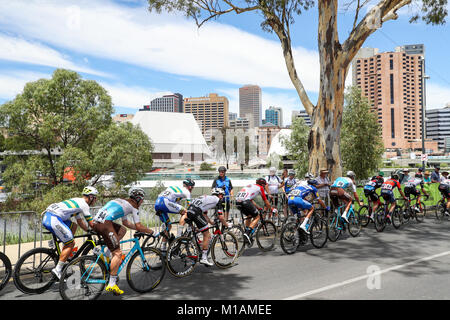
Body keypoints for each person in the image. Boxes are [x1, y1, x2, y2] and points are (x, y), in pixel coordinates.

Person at [92, 187, 155, 295]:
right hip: (105, 224)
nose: (142, 202)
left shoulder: (121, 200)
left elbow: (125, 223)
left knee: (122, 230)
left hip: (95, 223)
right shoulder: (133, 207)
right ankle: (112, 283)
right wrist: (152, 232)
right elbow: (139, 225)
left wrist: (138, 229)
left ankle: (106, 253)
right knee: (118, 253)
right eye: (142, 199)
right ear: (138, 198)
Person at [42, 186, 98, 280]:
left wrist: (88, 231)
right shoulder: (84, 205)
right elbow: (91, 223)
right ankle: (58, 269)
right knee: (71, 243)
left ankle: (66, 250)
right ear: (91, 197)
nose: (96, 200)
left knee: (73, 226)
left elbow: (80, 222)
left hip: (48, 216)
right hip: (53, 219)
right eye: (95, 198)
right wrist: (98, 230)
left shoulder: (77, 201)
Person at [185, 188, 227, 266]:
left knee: (200, 229)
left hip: (189, 210)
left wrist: (211, 222)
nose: (222, 197)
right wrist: (227, 224)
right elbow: (221, 217)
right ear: (219, 195)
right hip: (196, 212)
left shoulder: (207, 198)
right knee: (207, 235)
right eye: (222, 195)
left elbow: (204, 214)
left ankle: (193, 245)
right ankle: (204, 258)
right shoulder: (217, 200)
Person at [154, 178, 194, 252]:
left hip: (157, 203)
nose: (192, 189)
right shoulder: (186, 191)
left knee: (168, 226)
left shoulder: (177, 190)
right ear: (190, 187)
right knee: (186, 212)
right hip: (165, 202)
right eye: (192, 187)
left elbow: (177, 207)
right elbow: (190, 206)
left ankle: (163, 249)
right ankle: (179, 236)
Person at [235, 178, 273, 244]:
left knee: (249, 215)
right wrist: (271, 209)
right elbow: (265, 200)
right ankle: (247, 233)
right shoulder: (260, 187)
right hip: (245, 202)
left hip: (237, 202)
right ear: (263, 185)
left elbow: (251, 199)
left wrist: (258, 207)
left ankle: (246, 233)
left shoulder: (251, 186)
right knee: (257, 217)